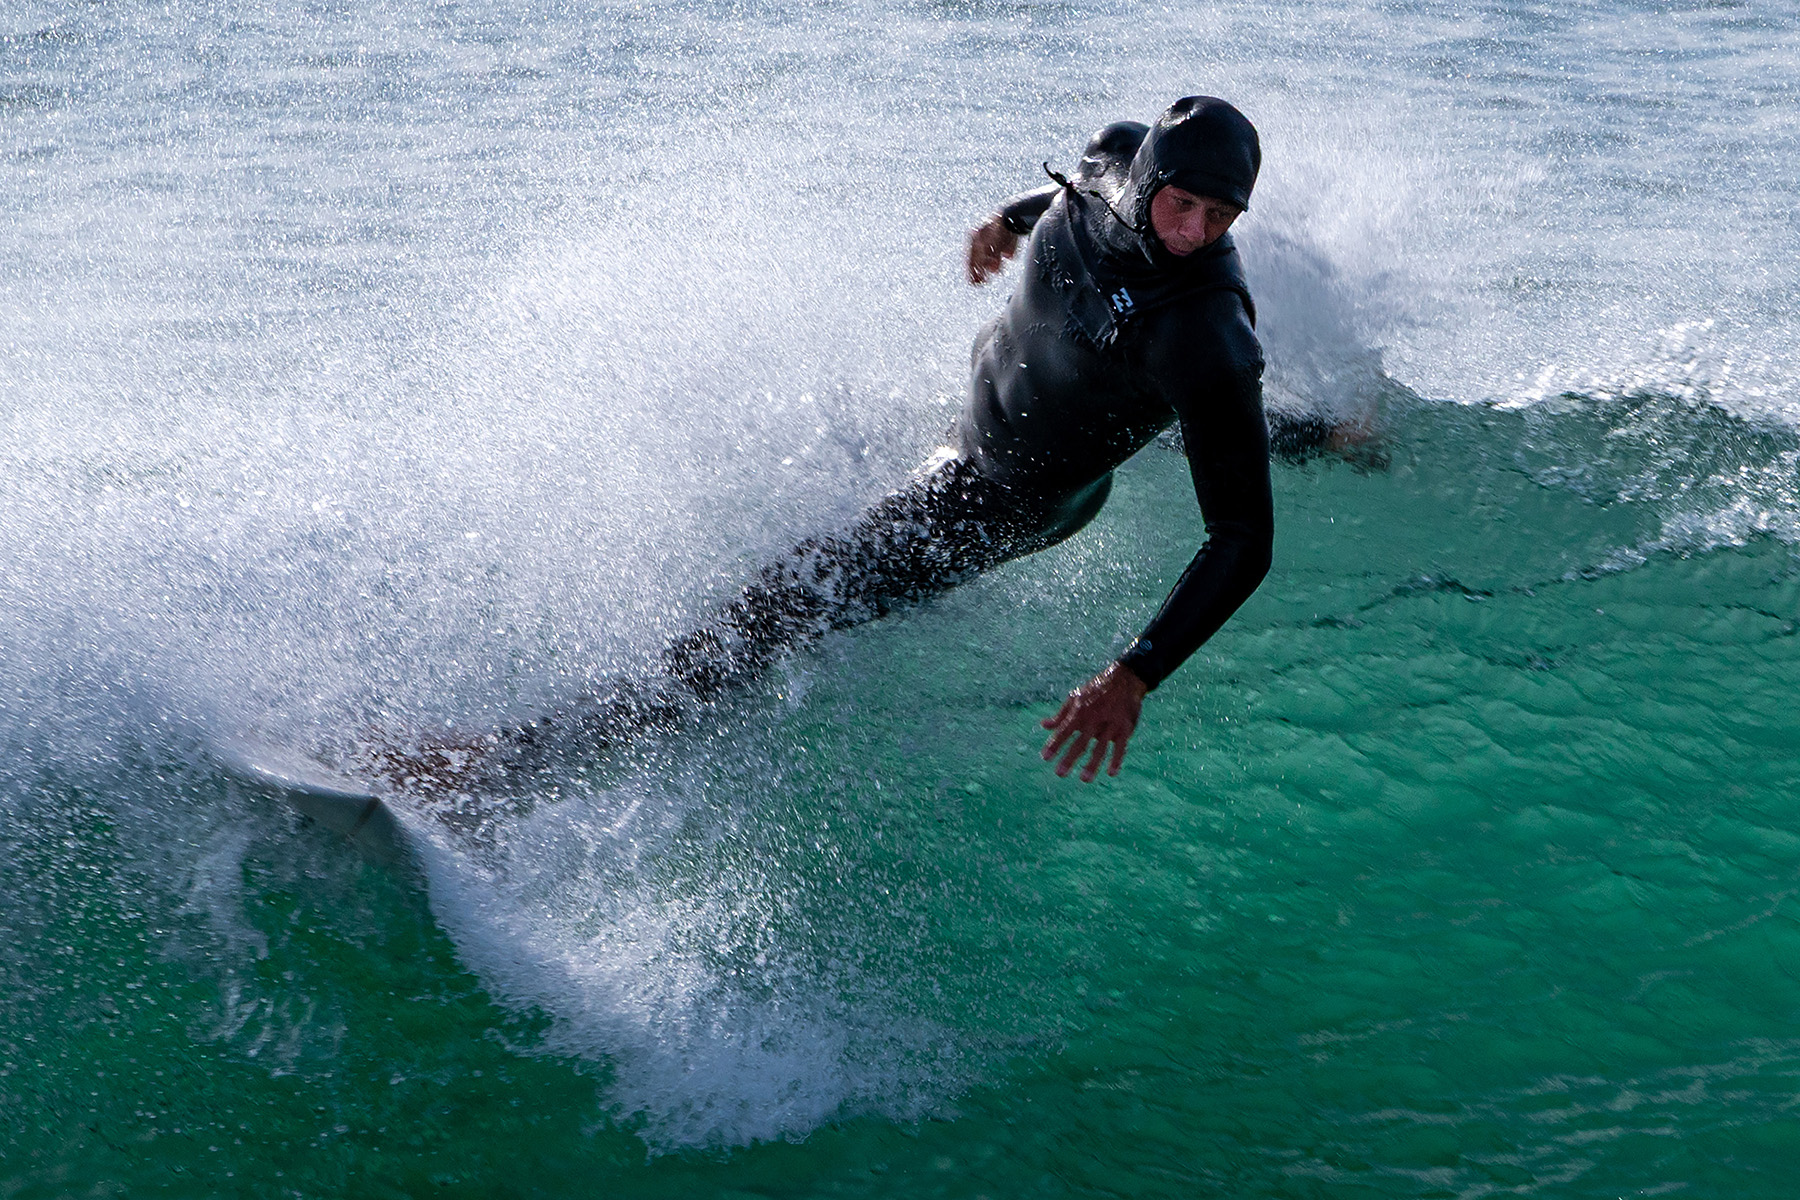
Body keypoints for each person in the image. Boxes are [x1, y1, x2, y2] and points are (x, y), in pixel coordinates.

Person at [385, 96, 1277, 798]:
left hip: (998, 495)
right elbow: (1081, 201)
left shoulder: (1206, 336)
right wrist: (1008, 220)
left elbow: (1243, 537)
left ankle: (502, 771)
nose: (1194, 232)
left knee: (766, 614)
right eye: (1181, 202)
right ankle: (1318, 433)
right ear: (1148, 172)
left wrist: (1135, 675)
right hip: (984, 418)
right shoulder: (1112, 156)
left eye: (1219, 216)